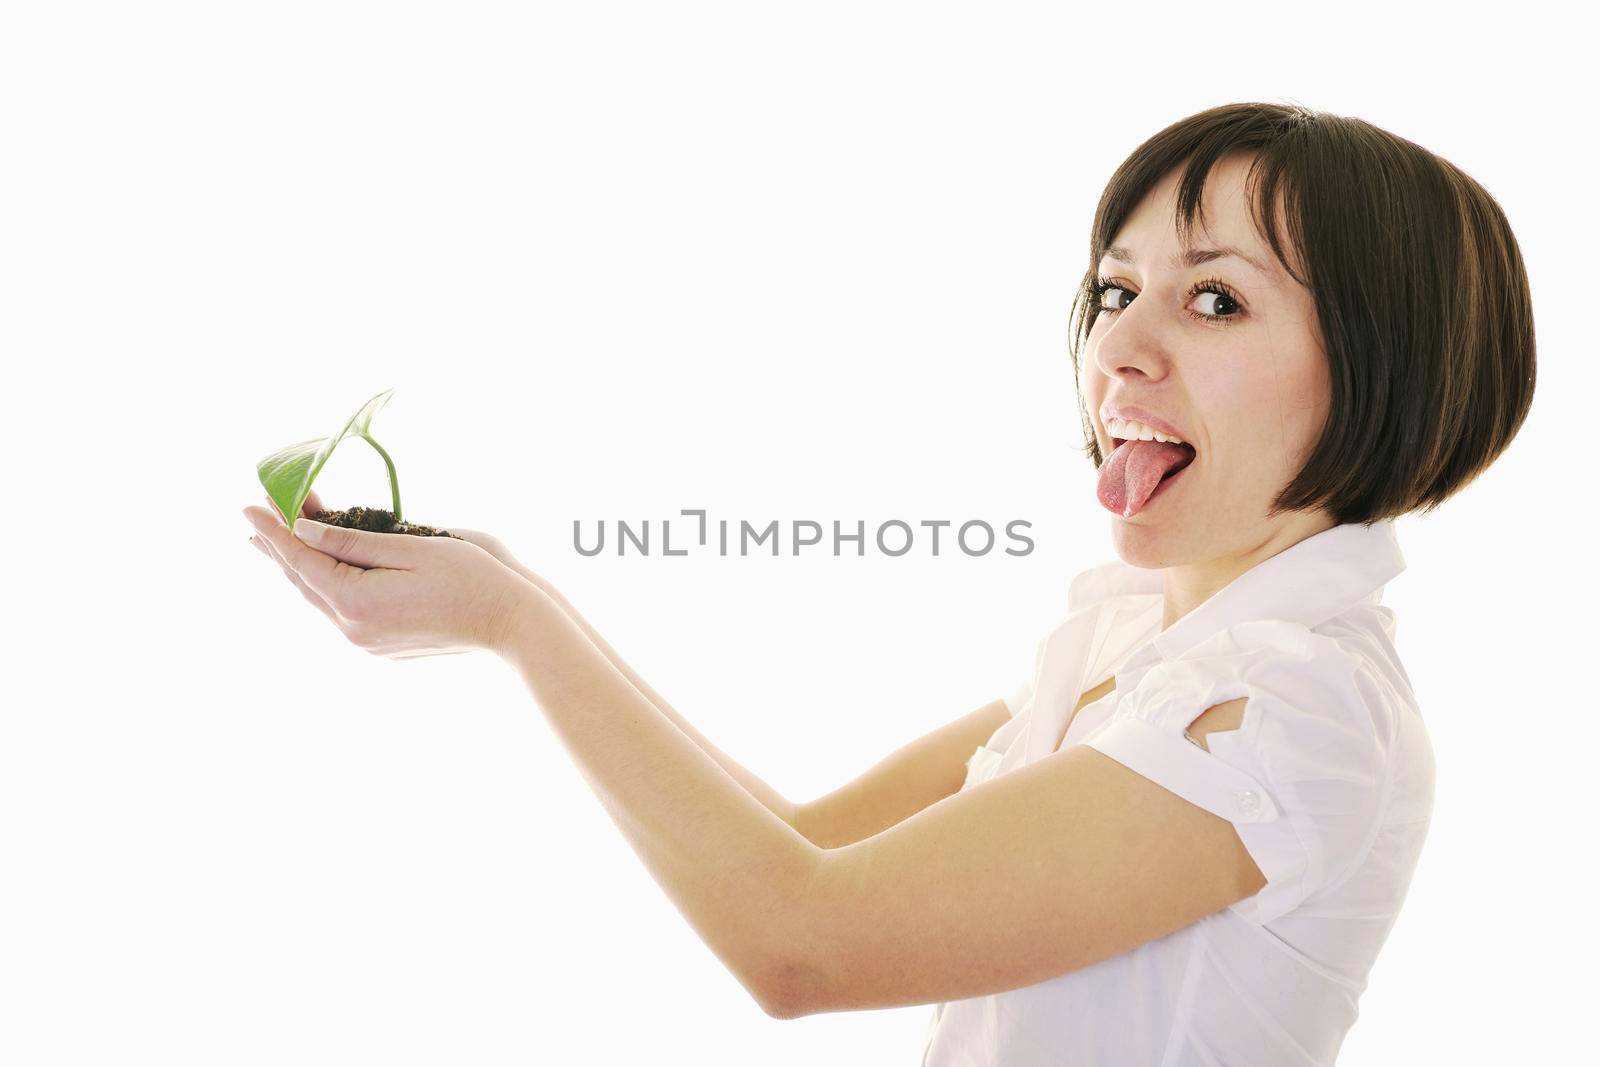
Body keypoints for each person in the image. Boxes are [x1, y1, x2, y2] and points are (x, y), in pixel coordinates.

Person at [242, 101, 1536, 1066]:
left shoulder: (1290, 699)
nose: (1119, 349)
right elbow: (812, 846)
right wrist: (516, 604)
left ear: (1387, 364)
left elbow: (806, 945)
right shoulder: (1140, 649)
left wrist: (514, 626)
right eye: (1114, 288)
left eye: (1214, 301)